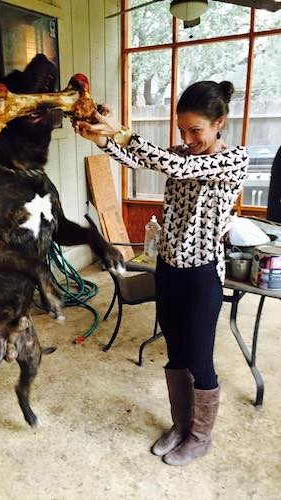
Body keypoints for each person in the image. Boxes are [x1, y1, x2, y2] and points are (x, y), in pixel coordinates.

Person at [74, 80, 249, 466]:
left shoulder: (234, 159)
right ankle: (181, 425)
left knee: (199, 358)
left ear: (220, 122)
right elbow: (139, 160)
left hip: (203, 274)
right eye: (182, 131)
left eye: (195, 131)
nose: (187, 139)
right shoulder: (184, 151)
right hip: (168, 268)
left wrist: (120, 129)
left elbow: (180, 166)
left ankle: (201, 436)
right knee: (174, 354)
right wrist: (101, 138)